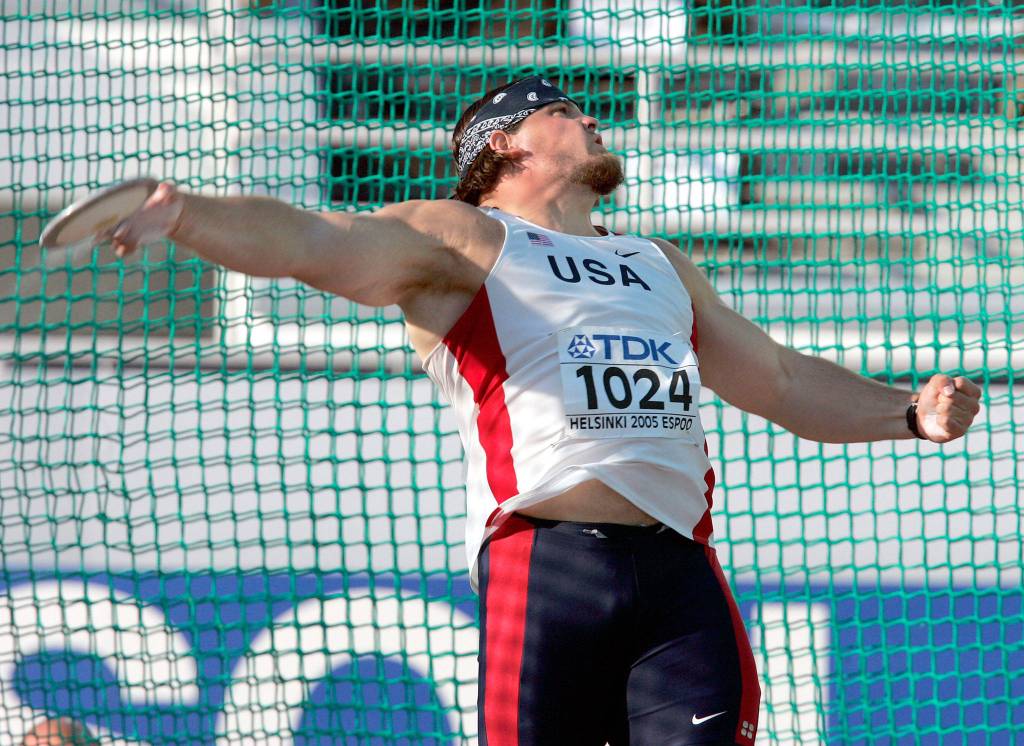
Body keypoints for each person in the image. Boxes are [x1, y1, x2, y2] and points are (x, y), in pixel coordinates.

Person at [102, 75, 982, 745]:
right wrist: (182, 214)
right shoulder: (464, 236)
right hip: (549, 567)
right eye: (563, 110)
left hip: (681, 577)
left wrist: (907, 414)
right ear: (507, 146)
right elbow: (310, 241)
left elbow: (781, 383)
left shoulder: (659, 261)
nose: (591, 117)